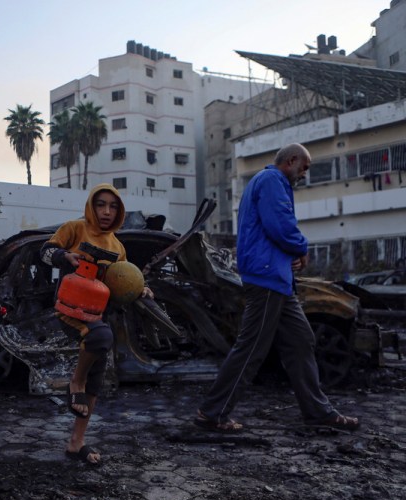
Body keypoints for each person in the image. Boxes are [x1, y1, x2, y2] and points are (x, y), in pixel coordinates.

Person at [194, 143, 360, 432]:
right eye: (305, 167)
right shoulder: (272, 181)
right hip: (267, 278)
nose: (305, 173)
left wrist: (290, 256)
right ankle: (212, 413)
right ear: (291, 160)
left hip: (277, 279)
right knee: (252, 347)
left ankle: (318, 412)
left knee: (301, 340)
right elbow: (279, 226)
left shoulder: (267, 182)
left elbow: (272, 228)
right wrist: (301, 247)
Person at [40, 184, 153, 464]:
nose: (106, 211)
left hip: (97, 313)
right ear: (92, 205)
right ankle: (74, 382)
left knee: (98, 374)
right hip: (69, 309)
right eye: (101, 204)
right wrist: (63, 256)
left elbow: (123, 281)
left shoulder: (118, 247)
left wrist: (141, 288)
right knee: (101, 337)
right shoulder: (74, 229)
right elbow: (43, 252)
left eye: (113, 206)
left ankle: (76, 442)